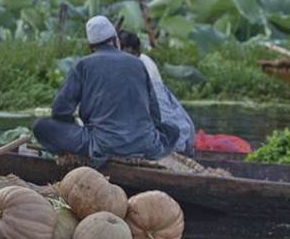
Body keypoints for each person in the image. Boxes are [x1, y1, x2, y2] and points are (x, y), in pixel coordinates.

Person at [33, 15, 179, 166]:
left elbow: (59, 110)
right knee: (172, 129)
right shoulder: (138, 63)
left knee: (41, 126)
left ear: (91, 47)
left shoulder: (83, 65)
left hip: (103, 144)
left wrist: (72, 126)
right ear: (116, 40)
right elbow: (155, 113)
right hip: (146, 144)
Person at [118, 30, 195, 156]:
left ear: (135, 53)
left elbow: (163, 115)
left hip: (178, 142)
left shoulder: (145, 70)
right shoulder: (133, 68)